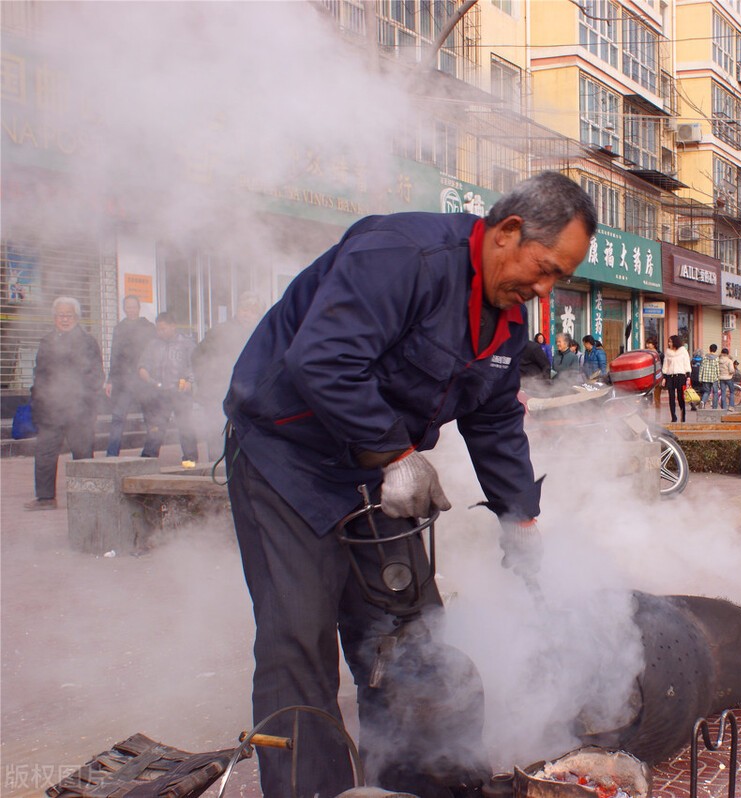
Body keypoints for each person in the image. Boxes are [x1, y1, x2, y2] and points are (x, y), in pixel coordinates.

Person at [222, 171, 596, 798]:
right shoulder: (402, 255)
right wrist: (396, 453)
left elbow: (497, 420)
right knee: (299, 640)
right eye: (546, 268)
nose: (545, 287)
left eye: (558, 277)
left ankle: (416, 784)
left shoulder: (505, 322)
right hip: (288, 460)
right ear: (507, 232)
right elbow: (322, 360)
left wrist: (521, 519)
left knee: (411, 638)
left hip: (378, 472)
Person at [26, 297, 103, 510]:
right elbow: (39, 375)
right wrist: (37, 401)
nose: (65, 319)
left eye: (69, 315)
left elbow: (96, 376)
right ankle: (45, 498)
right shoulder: (46, 341)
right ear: (54, 318)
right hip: (51, 408)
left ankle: (87, 497)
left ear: (77, 318)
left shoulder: (87, 342)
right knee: (44, 453)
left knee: (83, 454)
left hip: (79, 409)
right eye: (61, 315)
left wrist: (86, 402)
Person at [192, 292, 264, 462]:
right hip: (217, 392)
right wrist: (205, 379)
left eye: (253, 312)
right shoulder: (220, 331)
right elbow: (197, 356)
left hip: (248, 396)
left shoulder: (261, 333)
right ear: (237, 310)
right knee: (216, 435)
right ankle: (216, 468)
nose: (248, 315)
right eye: (244, 310)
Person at [138, 312, 199, 466]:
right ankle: (147, 462)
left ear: (173, 326)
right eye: (158, 329)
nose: (160, 332)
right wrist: (151, 381)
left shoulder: (186, 343)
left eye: (163, 329)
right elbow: (143, 366)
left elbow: (195, 366)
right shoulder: (153, 344)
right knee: (156, 428)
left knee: (185, 427)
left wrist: (189, 382)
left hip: (180, 393)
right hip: (160, 393)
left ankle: (190, 462)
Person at [103, 295, 155, 456]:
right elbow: (115, 355)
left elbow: (154, 353)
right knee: (118, 416)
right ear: (124, 309)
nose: (131, 310)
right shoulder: (119, 328)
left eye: (133, 306)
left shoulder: (148, 327)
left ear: (139, 308)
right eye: (128, 307)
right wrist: (110, 380)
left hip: (144, 380)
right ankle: (111, 454)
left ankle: (150, 452)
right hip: (125, 381)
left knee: (150, 419)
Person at [662, 334, 690, 423]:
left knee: (680, 397)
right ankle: (673, 417)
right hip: (670, 376)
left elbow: (687, 363)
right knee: (671, 397)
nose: (669, 343)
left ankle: (683, 415)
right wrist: (664, 377)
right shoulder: (668, 352)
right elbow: (665, 365)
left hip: (680, 376)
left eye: (670, 341)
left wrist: (688, 376)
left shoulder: (683, 351)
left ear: (675, 342)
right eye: (668, 342)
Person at [698, 343, 719, 408]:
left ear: (709, 349)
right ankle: (714, 407)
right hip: (714, 378)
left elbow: (701, 368)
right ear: (715, 350)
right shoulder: (716, 358)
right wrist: (718, 378)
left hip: (705, 377)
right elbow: (717, 369)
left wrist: (700, 378)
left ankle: (703, 401)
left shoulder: (704, 358)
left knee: (707, 391)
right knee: (715, 392)